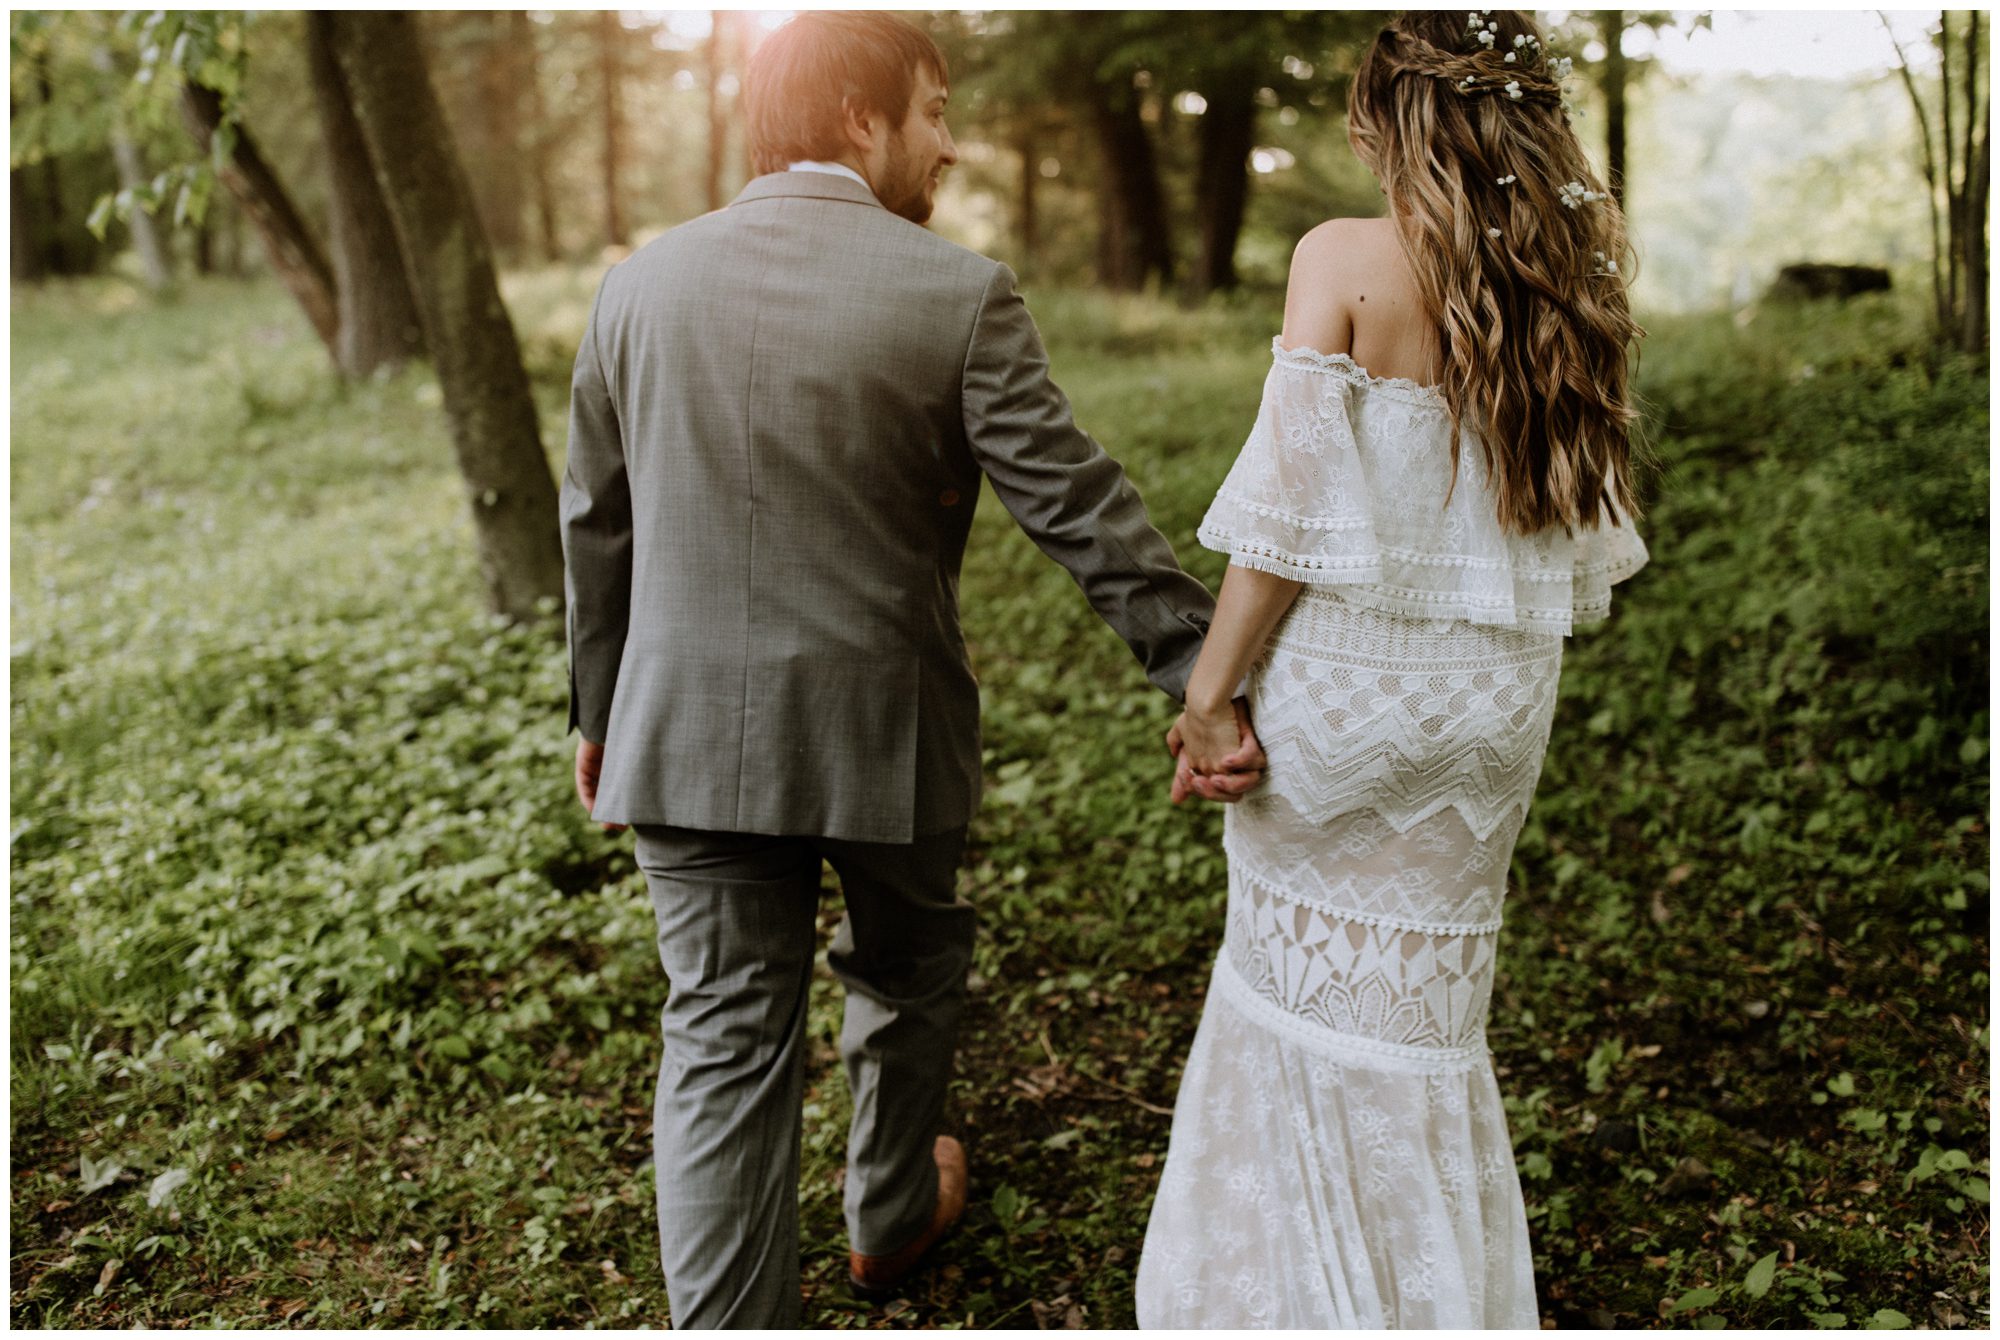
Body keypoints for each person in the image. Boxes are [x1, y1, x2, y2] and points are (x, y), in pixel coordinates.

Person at [559, 11, 1264, 1328]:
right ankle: (887, 1218)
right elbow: (1078, 505)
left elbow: (598, 522)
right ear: (855, 118)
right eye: (932, 110)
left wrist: (600, 710)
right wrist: (1200, 668)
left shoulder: (636, 287)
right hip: (886, 730)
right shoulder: (955, 294)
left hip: (681, 731)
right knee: (909, 963)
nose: (947, 144)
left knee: (721, 1042)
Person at [1136, 10, 1649, 1328]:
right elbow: (1579, 539)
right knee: (1426, 1032)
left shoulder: (1346, 260)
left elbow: (1287, 528)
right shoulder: (1570, 282)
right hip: (1492, 718)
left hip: (1342, 710)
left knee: (1291, 1016)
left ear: (1395, 118)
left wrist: (1208, 696)